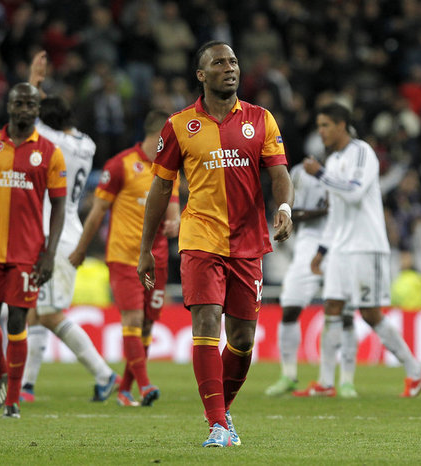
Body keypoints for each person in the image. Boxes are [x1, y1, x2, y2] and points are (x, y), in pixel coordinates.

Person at [137, 41, 294, 447]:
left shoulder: (261, 119)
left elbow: (279, 172)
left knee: (242, 340)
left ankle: (223, 413)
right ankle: (217, 425)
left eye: (234, 61)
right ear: (201, 75)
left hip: (248, 242)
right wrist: (145, 248)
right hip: (200, 237)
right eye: (219, 62)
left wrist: (284, 209)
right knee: (206, 323)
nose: (230, 68)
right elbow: (160, 188)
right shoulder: (179, 125)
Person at [295, 102, 421, 398]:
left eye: (325, 125)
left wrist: (320, 174)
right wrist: (322, 250)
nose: (321, 132)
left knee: (370, 313)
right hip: (340, 249)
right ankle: (326, 382)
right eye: (318, 126)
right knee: (332, 307)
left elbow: (355, 192)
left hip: (366, 246)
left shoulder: (362, 152)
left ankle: (415, 372)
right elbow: (336, 213)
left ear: (341, 125)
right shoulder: (332, 161)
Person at [0, 82, 67, 419]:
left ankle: (13, 401)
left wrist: (49, 254)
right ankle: (1, 373)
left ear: (37, 110)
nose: (24, 109)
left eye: (30, 104)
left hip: (27, 253)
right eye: (19, 103)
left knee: (18, 322)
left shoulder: (50, 152)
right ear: (9, 106)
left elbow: (59, 207)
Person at [19, 51, 119, 404]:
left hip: (55, 238)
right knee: (36, 312)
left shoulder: (51, 142)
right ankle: (26, 386)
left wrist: (34, 81)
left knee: (49, 314)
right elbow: (49, 116)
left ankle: (105, 374)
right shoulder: (86, 144)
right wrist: (46, 95)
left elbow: (28, 116)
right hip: (65, 231)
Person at [69, 109, 180, 408]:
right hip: (124, 256)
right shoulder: (120, 165)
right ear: (159, 135)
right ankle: (145, 385)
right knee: (133, 319)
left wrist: (176, 222)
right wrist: (81, 248)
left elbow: (173, 209)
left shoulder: (170, 169)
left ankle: (125, 390)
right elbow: (97, 212)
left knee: (147, 326)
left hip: (156, 259)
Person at [264, 163, 359, 398]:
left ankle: (346, 381)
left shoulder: (350, 168)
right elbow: (292, 213)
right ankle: (288, 376)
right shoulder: (301, 172)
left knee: (345, 313)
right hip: (308, 243)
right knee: (290, 306)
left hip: (343, 243)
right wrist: (325, 211)